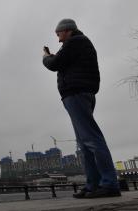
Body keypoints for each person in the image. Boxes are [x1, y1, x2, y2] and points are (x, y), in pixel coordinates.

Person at [42, 18, 120, 198]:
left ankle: (109, 184)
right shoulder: (76, 44)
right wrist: (55, 57)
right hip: (78, 94)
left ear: (67, 30)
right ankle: (93, 184)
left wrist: (46, 57)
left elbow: (54, 65)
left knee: (92, 139)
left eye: (59, 33)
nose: (58, 38)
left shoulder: (76, 42)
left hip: (76, 94)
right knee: (84, 144)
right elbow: (63, 62)